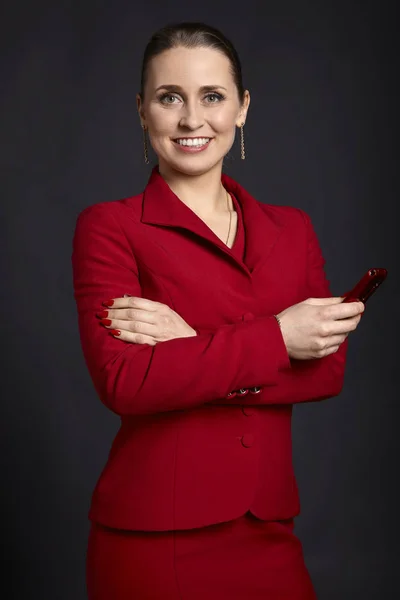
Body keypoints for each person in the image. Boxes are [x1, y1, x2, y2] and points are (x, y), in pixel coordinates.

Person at [72, 21, 365, 600]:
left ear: (243, 107)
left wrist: (191, 344)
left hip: (267, 527)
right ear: (141, 110)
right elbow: (124, 380)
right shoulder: (109, 227)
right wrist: (278, 339)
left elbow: (327, 370)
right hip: (156, 539)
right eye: (168, 98)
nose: (191, 119)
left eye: (212, 97)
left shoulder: (292, 229)